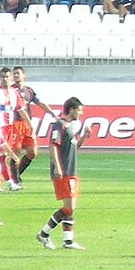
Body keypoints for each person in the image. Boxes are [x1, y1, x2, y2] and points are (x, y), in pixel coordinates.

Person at [38, 98, 85, 250]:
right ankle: (44, 233)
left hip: (71, 170)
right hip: (63, 171)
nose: (81, 113)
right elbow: (52, 146)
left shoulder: (71, 127)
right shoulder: (59, 125)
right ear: (71, 110)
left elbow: (74, 147)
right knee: (68, 207)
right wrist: (57, 167)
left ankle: (68, 241)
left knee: (70, 207)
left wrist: (85, 137)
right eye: (79, 110)